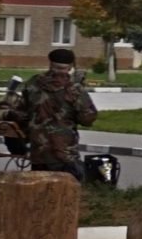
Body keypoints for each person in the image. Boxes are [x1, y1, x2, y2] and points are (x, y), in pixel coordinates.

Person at [17, 46, 97, 176]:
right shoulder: (74, 88)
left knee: (39, 186)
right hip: (63, 151)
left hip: (38, 149)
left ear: (50, 64)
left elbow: (21, 112)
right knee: (68, 188)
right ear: (70, 66)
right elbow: (87, 118)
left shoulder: (33, 83)